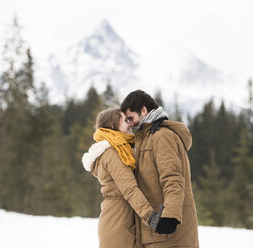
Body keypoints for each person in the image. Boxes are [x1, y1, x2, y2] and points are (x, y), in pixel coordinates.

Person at [120, 90, 200, 248]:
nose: (130, 124)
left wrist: (170, 217)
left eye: (131, 118)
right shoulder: (146, 138)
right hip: (157, 232)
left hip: (169, 232)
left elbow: (173, 179)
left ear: (143, 110)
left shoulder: (161, 136)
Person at [82, 108, 162, 248]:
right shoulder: (114, 153)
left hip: (121, 220)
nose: (130, 124)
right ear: (113, 126)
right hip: (119, 223)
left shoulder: (120, 150)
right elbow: (129, 189)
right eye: (126, 120)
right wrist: (149, 215)